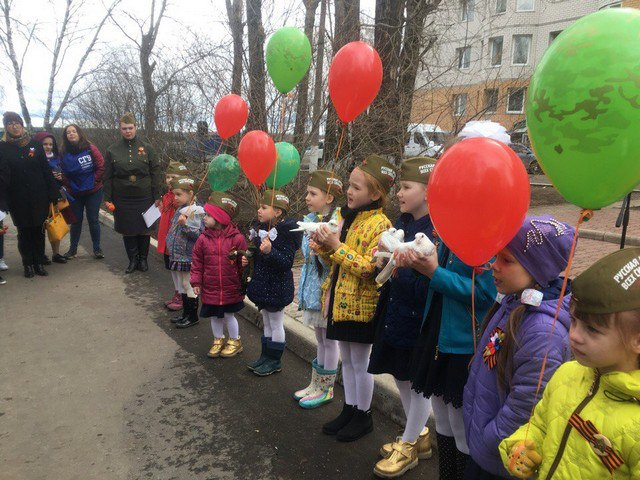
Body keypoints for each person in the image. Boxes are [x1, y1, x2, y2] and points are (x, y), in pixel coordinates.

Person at [500, 247, 640, 480]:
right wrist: (521, 443)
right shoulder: (567, 373)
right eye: (574, 321)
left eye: (593, 330)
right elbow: (541, 423)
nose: (573, 335)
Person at [462, 215, 575, 479]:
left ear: (538, 270)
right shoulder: (514, 302)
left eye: (507, 260)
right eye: (496, 256)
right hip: (486, 447)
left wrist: (489, 439)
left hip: (502, 456)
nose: (494, 266)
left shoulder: (542, 332)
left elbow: (526, 406)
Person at [398, 216, 496, 480]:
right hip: (436, 333)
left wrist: (433, 272)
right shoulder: (451, 230)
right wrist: (417, 263)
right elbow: (436, 271)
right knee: (442, 418)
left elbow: (486, 295)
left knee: (460, 424)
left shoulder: (486, 238)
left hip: (462, 342)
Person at [313, 154, 394, 442]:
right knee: (346, 360)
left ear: (375, 194)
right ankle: (349, 408)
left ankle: (364, 415)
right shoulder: (347, 217)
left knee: (360, 363)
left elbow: (369, 269)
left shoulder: (380, 225)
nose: (349, 191)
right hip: (339, 302)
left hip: (362, 307)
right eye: (349, 185)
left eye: (357, 188)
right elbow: (336, 259)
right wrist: (323, 246)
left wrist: (336, 246)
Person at [369, 157, 437, 478]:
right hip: (396, 312)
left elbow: (428, 279)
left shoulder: (435, 231)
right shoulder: (405, 220)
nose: (398, 193)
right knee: (400, 373)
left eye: (406, 187)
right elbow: (393, 264)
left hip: (416, 318)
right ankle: (419, 437)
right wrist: (382, 258)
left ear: (427, 192)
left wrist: (403, 268)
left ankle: (409, 444)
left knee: (417, 381)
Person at [293, 170, 343, 409]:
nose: (307, 197)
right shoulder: (310, 219)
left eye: (313, 193)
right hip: (312, 289)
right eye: (307, 193)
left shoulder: (335, 223)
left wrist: (320, 250)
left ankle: (327, 388)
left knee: (329, 340)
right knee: (319, 338)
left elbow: (332, 261)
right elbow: (307, 256)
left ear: (330, 197)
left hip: (325, 292)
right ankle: (316, 384)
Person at [245, 189, 303, 377]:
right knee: (267, 322)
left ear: (278, 212)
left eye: (264, 207)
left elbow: (286, 262)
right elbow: (257, 252)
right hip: (264, 284)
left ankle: (275, 360)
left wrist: (270, 251)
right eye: (259, 207)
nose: (259, 211)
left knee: (276, 323)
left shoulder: (286, 233)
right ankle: (265, 356)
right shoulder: (263, 229)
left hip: (277, 286)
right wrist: (248, 257)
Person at [0, 112, 60, 278]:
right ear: (6, 127)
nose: (15, 126)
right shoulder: (3, 147)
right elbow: (2, 176)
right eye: (10, 123)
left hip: (38, 196)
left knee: (38, 231)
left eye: (17, 122)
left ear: (22, 125)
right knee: (24, 232)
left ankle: (39, 262)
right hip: (17, 198)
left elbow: (46, 171)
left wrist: (53, 194)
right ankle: (27, 264)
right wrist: (3, 200)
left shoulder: (35, 145)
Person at [104, 112, 163, 273]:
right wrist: (107, 198)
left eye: (130, 128)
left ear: (136, 128)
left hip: (144, 196)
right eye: (124, 128)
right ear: (120, 129)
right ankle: (132, 260)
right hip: (122, 197)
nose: (128, 131)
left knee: (145, 229)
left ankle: (143, 260)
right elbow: (107, 176)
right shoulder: (112, 150)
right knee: (128, 229)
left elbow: (156, 173)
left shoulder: (148, 149)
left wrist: (158, 195)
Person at [190, 191, 247, 358]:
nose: (204, 218)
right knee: (214, 316)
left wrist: (243, 277)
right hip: (210, 286)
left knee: (229, 315)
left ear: (220, 217)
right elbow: (197, 262)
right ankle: (218, 339)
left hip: (230, 286)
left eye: (208, 215)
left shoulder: (237, 239)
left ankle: (235, 340)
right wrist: (196, 282)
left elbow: (242, 262)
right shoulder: (203, 239)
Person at [59, 124, 104, 259]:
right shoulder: (63, 152)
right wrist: (69, 185)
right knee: (76, 221)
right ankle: (73, 250)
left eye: (74, 131)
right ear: (66, 136)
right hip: (74, 192)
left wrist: (93, 182)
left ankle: (97, 249)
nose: (71, 134)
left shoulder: (90, 148)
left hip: (93, 191)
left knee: (93, 220)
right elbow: (61, 172)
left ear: (79, 133)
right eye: (68, 132)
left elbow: (101, 166)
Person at [165, 176, 203, 329]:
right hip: (178, 255)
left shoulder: (197, 211)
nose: (175, 198)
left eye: (179, 194)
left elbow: (199, 234)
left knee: (189, 284)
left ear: (191, 194)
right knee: (182, 284)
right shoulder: (181, 209)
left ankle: (192, 316)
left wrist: (185, 224)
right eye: (174, 194)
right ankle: (185, 313)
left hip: (188, 256)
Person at [158, 161, 190, 311]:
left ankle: (181, 295)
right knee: (171, 267)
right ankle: (177, 292)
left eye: (174, 177)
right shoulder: (167, 196)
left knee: (178, 269)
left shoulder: (182, 199)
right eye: (168, 177)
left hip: (178, 242)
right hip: (167, 238)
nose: (170, 180)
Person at [32, 132, 68, 264]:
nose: (48, 147)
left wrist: (61, 177)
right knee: (40, 227)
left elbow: (65, 175)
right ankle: (40, 254)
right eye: (45, 144)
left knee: (54, 223)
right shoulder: (34, 157)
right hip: (39, 196)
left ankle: (56, 253)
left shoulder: (57, 158)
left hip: (54, 196)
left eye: (50, 144)